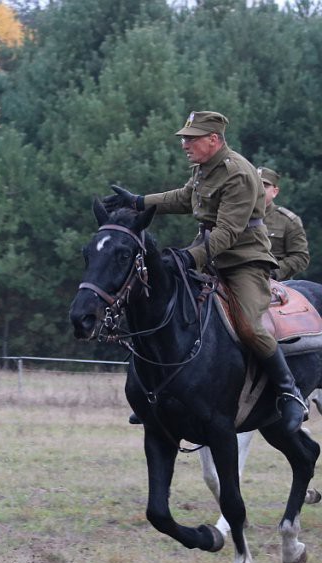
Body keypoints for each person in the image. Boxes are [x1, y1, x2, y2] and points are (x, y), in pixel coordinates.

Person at [106, 111, 307, 434]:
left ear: (213, 140)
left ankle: (289, 391)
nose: (184, 144)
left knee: (249, 326)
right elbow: (185, 198)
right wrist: (140, 201)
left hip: (244, 262)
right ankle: (156, 394)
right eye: (184, 138)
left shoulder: (237, 172)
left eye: (191, 138)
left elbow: (227, 232)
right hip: (208, 256)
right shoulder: (205, 168)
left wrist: (189, 258)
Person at [257, 166, 309, 281]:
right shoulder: (235, 216)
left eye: (264, 186)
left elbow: (300, 257)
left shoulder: (288, 221)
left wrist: (275, 273)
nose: (258, 190)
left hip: (276, 284)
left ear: (274, 192)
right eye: (254, 185)